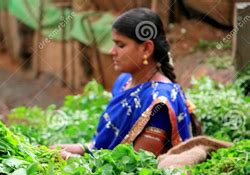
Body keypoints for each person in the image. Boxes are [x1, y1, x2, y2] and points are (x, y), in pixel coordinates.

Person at [54, 7, 200, 159]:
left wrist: (69, 159)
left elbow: (133, 168)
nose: (112, 51)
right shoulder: (124, 82)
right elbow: (104, 146)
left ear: (146, 49)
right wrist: (75, 148)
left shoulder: (158, 102)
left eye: (121, 45)